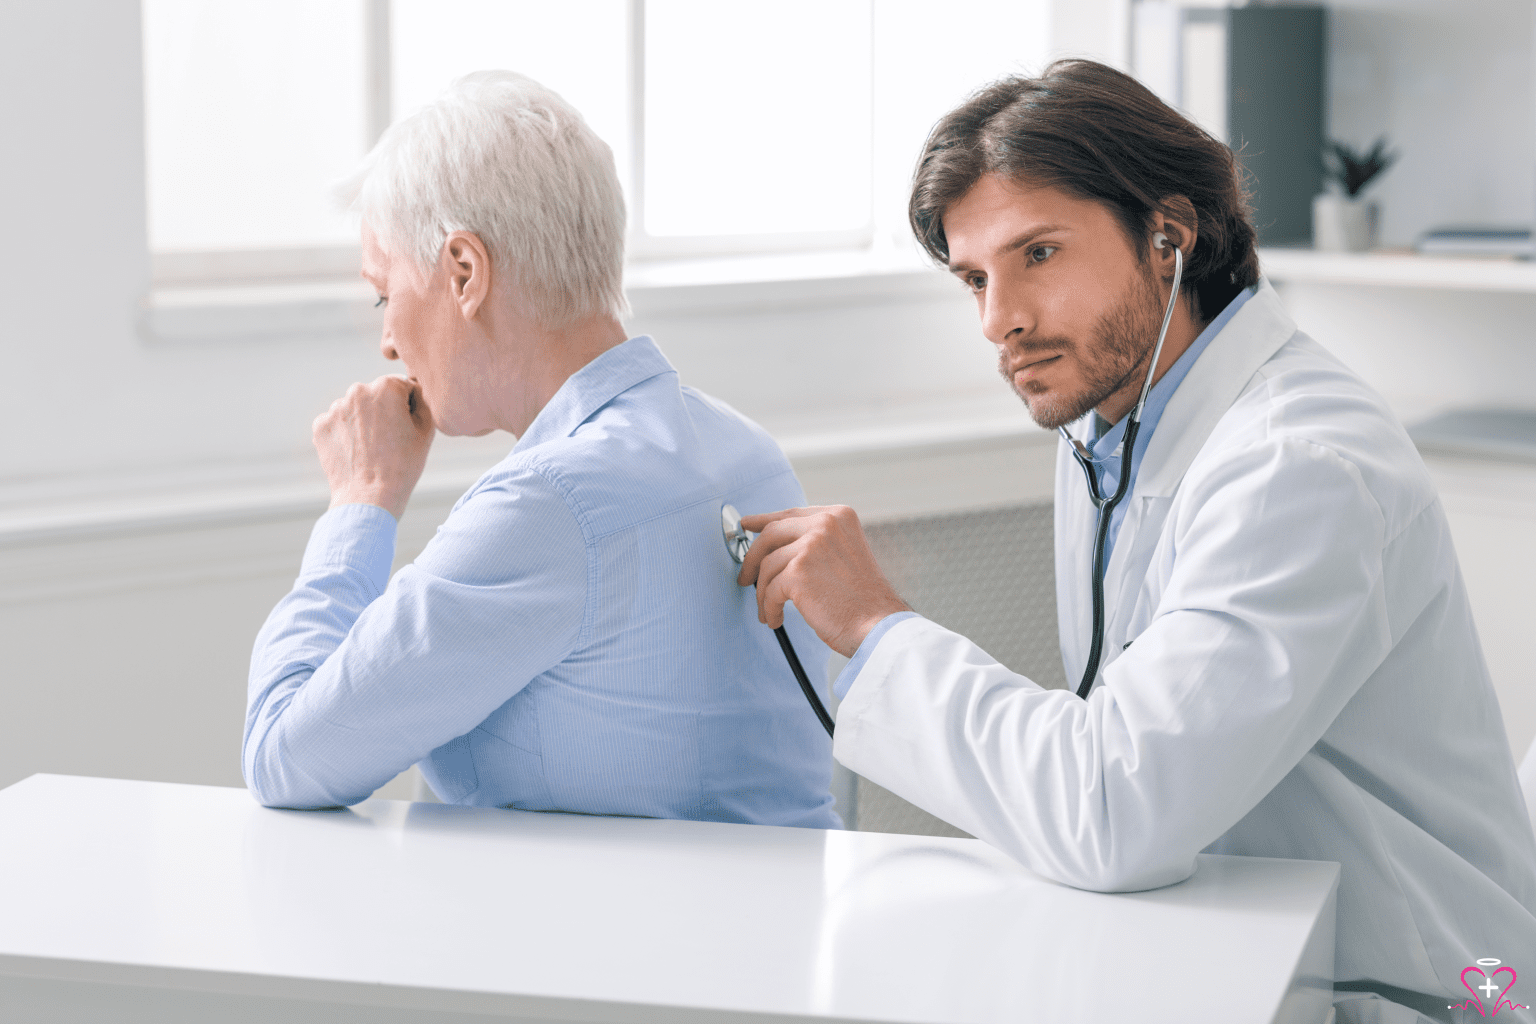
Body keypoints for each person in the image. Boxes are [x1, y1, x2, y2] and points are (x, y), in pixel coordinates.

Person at [738, 61, 1536, 1023]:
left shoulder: (1299, 465)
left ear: (1168, 235)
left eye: (1038, 255)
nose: (1000, 321)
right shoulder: (1112, 428)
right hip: (1237, 945)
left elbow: (1115, 808)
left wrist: (875, 624)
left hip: (1412, 986)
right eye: (975, 279)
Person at [243, 71, 837, 829]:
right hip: (767, 927)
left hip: (628, 942)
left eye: (384, 293)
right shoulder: (744, 449)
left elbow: (283, 757)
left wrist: (360, 501)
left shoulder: (551, 505)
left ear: (464, 271)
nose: (389, 340)